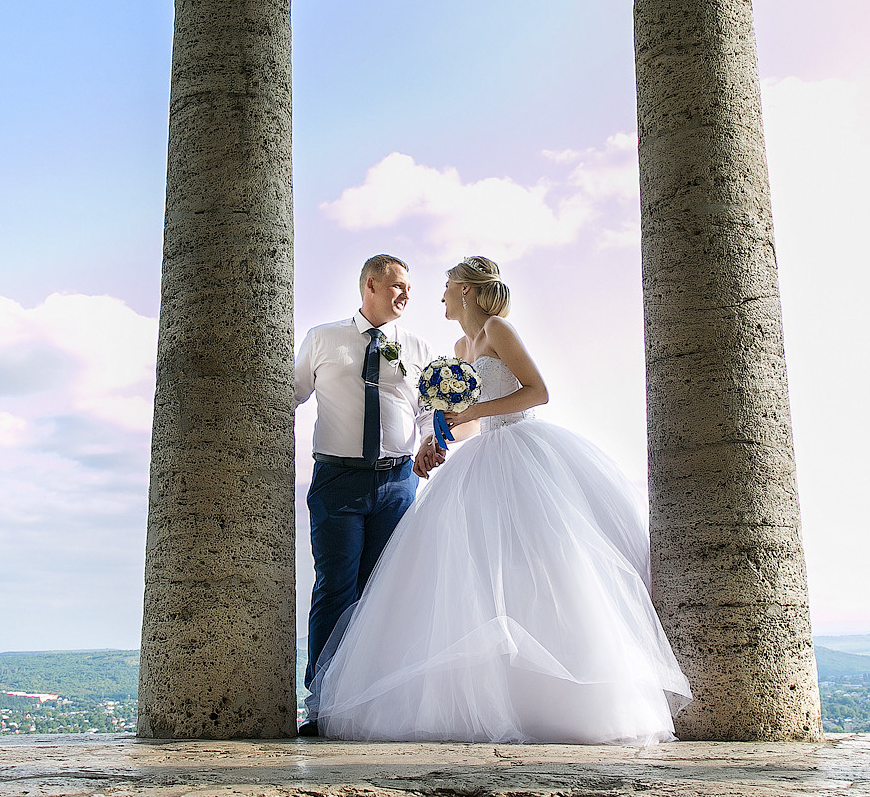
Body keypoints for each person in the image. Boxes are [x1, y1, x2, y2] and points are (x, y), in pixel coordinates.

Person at [309, 256, 690, 744]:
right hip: (481, 455)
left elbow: (537, 392)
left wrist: (474, 409)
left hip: (522, 453)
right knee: (474, 578)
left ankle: (557, 698)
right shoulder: (457, 347)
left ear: (466, 291)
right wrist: (437, 439)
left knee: (539, 569)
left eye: (447, 286)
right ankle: (491, 696)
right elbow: (467, 423)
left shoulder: (496, 330)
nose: (440, 294)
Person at [293, 254, 442, 737]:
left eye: (409, 288)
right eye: (398, 286)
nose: (406, 295)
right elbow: (290, 394)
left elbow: (423, 413)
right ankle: (322, 705)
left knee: (385, 594)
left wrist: (428, 440)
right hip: (338, 479)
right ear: (370, 286)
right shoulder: (323, 338)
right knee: (335, 587)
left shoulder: (417, 346)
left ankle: (376, 704)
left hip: (398, 481)